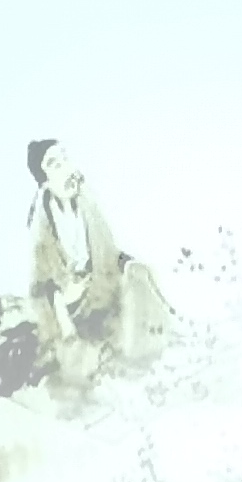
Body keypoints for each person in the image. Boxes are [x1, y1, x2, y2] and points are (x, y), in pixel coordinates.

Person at [24, 139, 168, 396]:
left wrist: (129, 264)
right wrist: (64, 309)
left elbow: (107, 252)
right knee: (79, 367)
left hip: (97, 293)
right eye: (54, 164)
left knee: (140, 276)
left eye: (65, 159)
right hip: (65, 309)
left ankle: (144, 357)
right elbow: (42, 284)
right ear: (44, 181)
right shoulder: (42, 222)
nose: (66, 169)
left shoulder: (86, 204)